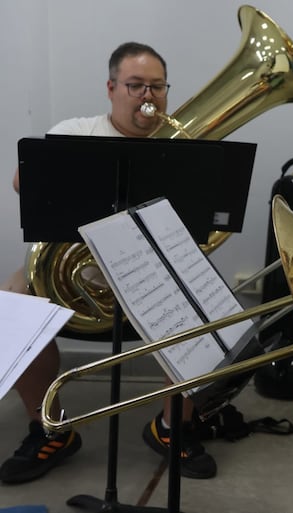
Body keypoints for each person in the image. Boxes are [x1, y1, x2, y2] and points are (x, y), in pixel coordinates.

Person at [0, 42, 217, 484]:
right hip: (77, 281)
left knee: (207, 306)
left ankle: (172, 428)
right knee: (12, 301)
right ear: (112, 88)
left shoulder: (182, 148)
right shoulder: (79, 129)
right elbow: (24, 181)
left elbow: (206, 223)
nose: (147, 96)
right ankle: (51, 428)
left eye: (157, 86)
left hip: (152, 280)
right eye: (135, 85)